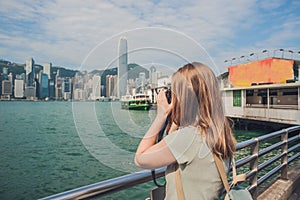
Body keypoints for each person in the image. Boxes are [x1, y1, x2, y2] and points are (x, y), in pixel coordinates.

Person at [135, 62, 236, 200]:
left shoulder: (187, 138)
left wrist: (160, 116)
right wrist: (177, 119)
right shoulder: (220, 133)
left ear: (184, 98)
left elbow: (140, 158)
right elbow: (177, 148)